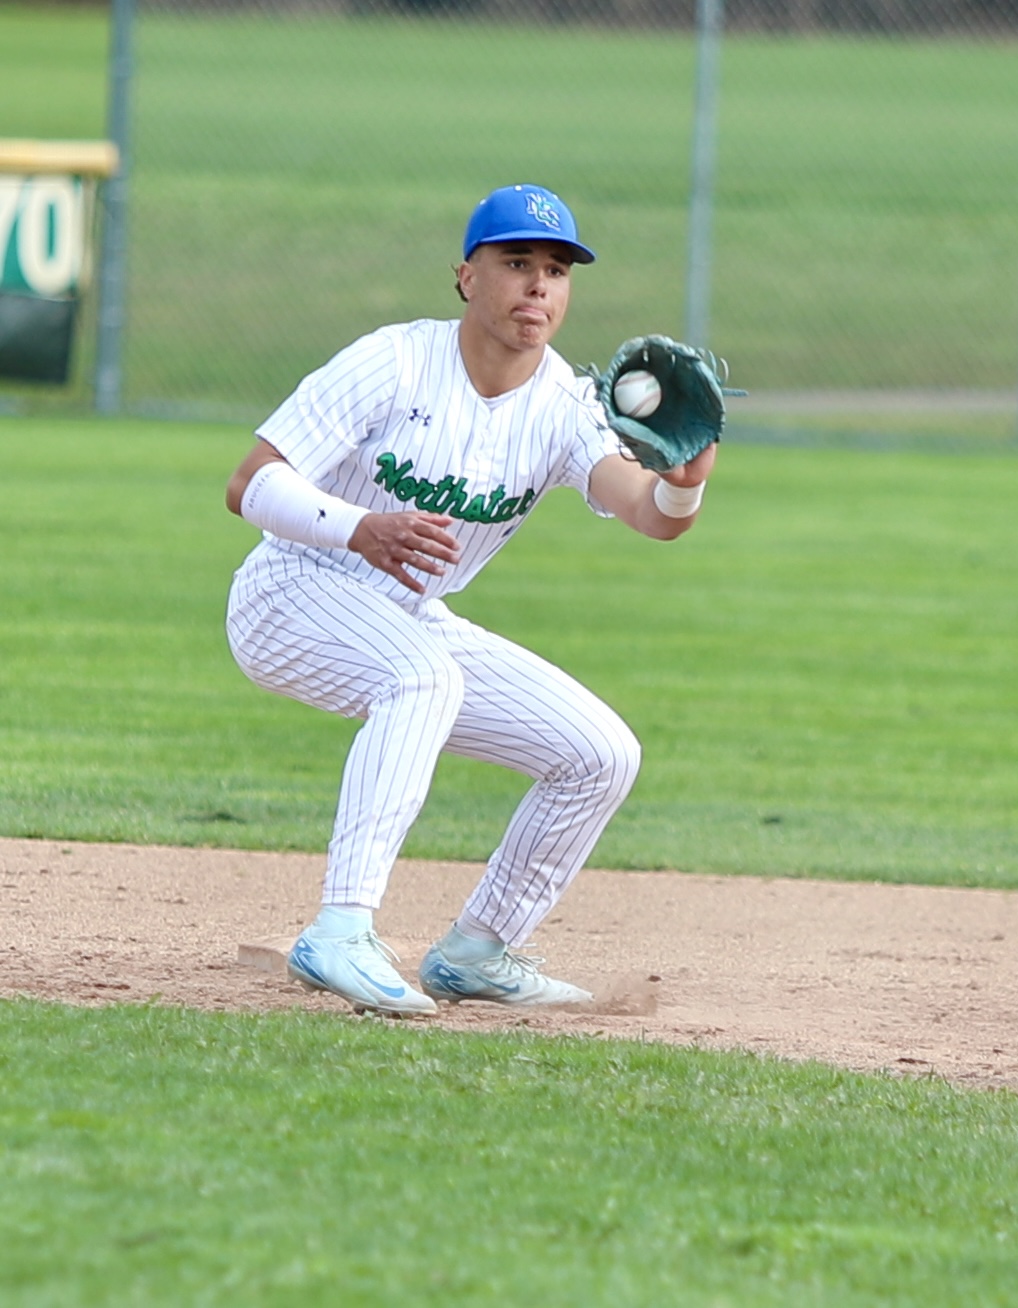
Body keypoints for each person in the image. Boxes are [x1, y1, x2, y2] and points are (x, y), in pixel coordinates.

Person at [223, 183, 718, 1015]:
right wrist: (359, 529)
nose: (538, 285)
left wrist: (686, 479)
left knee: (600, 753)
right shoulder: (394, 360)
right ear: (466, 276)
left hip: (407, 618)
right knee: (422, 678)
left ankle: (477, 951)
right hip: (290, 590)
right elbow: (249, 484)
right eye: (516, 262)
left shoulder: (565, 405)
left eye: (557, 270)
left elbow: (648, 514)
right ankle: (340, 930)